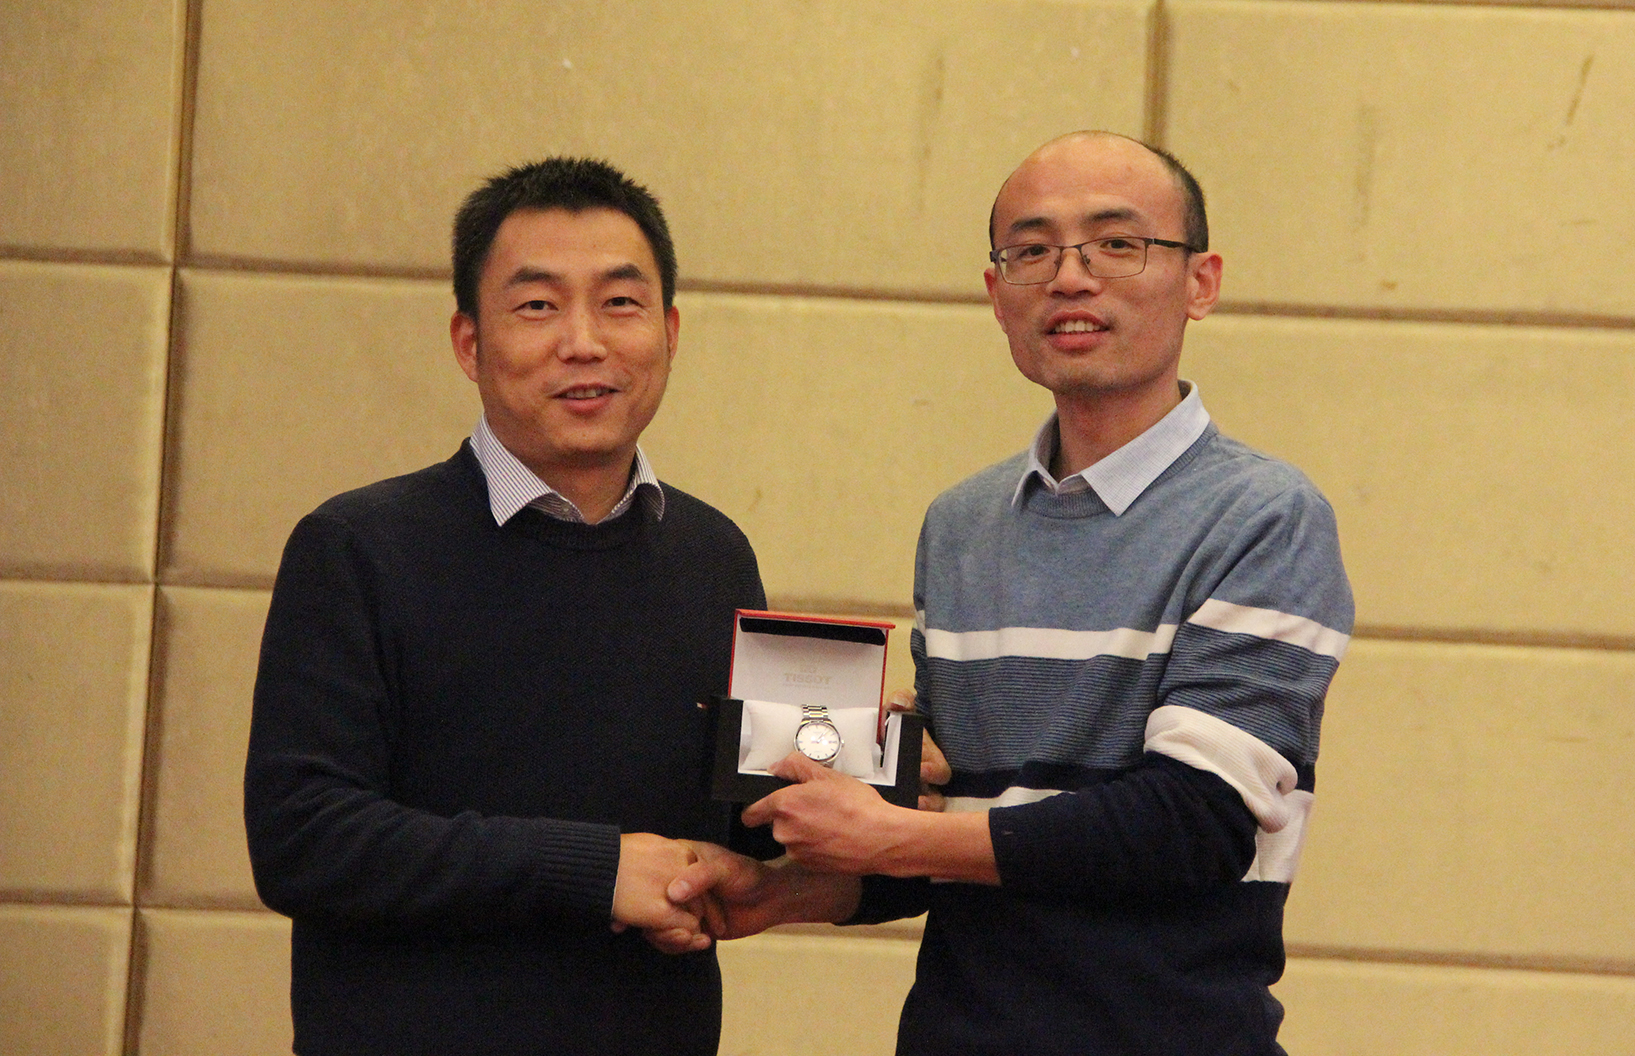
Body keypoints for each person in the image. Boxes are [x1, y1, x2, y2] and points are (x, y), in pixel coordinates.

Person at [669, 132, 1354, 1055]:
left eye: (1117, 244)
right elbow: (969, 834)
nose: (1070, 278)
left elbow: (1193, 825)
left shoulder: (1264, 515)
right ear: (998, 297)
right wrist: (790, 891)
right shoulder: (963, 525)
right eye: (1032, 251)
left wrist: (892, 839)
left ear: (1201, 281)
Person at [244, 157, 771, 1056]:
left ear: (671, 331)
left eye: (620, 302)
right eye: (537, 306)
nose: (583, 342)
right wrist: (593, 870)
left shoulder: (713, 556)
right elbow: (305, 837)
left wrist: (876, 772)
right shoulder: (358, 547)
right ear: (468, 342)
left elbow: (746, 832)